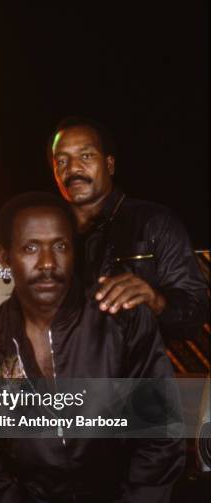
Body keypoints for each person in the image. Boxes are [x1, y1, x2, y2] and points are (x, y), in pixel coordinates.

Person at [0, 192, 206, 503]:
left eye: (60, 246)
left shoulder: (121, 316)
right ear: (5, 257)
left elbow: (159, 438)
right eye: (31, 248)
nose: (48, 263)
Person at [49, 116, 208, 341]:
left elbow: (196, 314)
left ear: (110, 164)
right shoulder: (46, 235)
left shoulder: (156, 223)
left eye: (86, 156)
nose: (73, 168)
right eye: (62, 161)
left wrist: (154, 300)